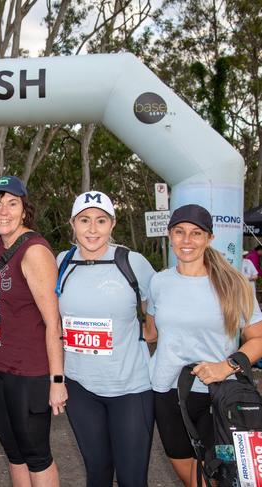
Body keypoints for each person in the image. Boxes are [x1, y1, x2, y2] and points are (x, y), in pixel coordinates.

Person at [146, 204, 262, 487]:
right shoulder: (159, 282)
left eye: (196, 233)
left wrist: (226, 366)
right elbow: (150, 332)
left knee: (222, 472)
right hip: (167, 392)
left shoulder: (235, 284)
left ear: (209, 238)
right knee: (183, 464)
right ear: (170, 235)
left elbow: (258, 338)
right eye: (180, 232)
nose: (187, 241)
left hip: (217, 396)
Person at [56, 191, 156, 487]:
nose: (92, 229)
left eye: (101, 221)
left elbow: (156, 314)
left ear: (112, 224)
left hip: (129, 388)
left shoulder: (132, 262)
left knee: (132, 478)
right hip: (80, 387)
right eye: (84, 220)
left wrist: (145, 335)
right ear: (72, 224)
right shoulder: (62, 262)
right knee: (97, 474)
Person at [0, 176, 66, 487]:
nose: (3, 211)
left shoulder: (35, 251)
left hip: (28, 372)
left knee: (36, 453)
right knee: (14, 453)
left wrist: (57, 380)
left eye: (12, 203)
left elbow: (53, 322)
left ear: (24, 209)